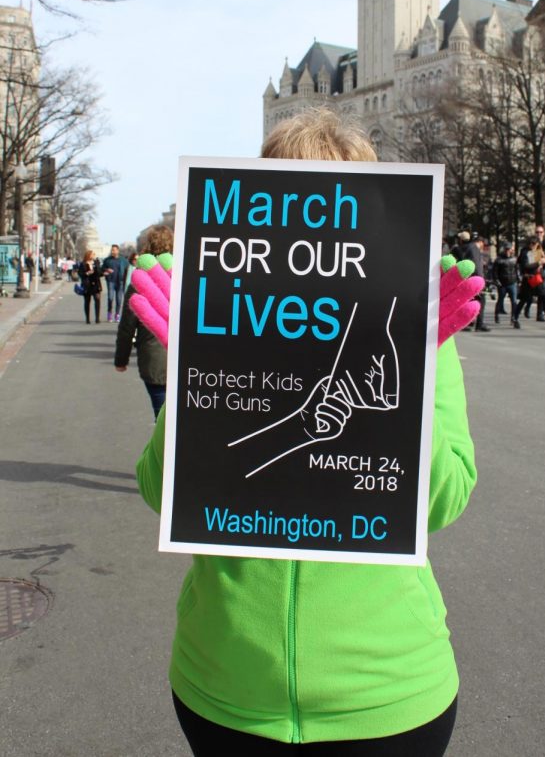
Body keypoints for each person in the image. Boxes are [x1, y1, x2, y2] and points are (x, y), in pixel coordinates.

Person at [135, 109, 479, 755]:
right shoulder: (226, 323)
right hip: (226, 691)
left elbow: (445, 496)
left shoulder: (420, 326)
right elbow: (163, 492)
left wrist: (413, 377)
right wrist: (195, 373)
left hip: (388, 695)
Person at [114, 229, 172, 419]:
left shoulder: (140, 282)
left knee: (162, 418)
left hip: (153, 360)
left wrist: (121, 359)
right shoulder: (186, 277)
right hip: (187, 361)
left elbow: (127, 327)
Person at [514, 236, 545, 329]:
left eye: (534, 244)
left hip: (540, 278)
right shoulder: (525, 252)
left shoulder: (540, 250)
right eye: (531, 243)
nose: (532, 246)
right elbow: (525, 266)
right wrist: (539, 263)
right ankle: (515, 318)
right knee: (523, 300)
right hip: (529, 279)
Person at [452, 230, 490, 332]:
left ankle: (466, 323)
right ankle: (479, 324)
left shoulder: (459, 249)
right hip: (477, 278)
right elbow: (478, 266)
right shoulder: (474, 248)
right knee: (480, 301)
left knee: (466, 301)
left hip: (467, 278)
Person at [492, 242, 518, 325]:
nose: (507, 251)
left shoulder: (514, 259)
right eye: (506, 249)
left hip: (512, 282)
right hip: (502, 283)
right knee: (500, 300)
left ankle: (513, 318)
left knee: (514, 301)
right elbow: (494, 272)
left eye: (509, 250)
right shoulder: (499, 260)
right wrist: (496, 280)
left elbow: (517, 270)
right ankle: (496, 315)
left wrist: (519, 279)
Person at [102, 243, 128, 322]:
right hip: (111, 281)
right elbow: (102, 268)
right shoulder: (107, 260)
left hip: (120, 282)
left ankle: (117, 315)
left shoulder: (123, 260)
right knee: (110, 298)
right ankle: (109, 314)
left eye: (114, 250)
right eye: (112, 250)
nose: (113, 251)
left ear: (118, 250)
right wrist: (106, 270)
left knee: (119, 300)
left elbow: (127, 269)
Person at [79, 249, 102, 324]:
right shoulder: (83, 264)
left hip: (95, 284)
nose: (94, 256)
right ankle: (87, 318)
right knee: (87, 301)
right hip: (87, 284)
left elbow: (99, 273)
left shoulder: (96, 263)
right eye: (92, 254)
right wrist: (87, 273)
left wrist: (98, 266)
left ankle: (97, 318)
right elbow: (81, 274)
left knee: (97, 300)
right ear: (88, 255)